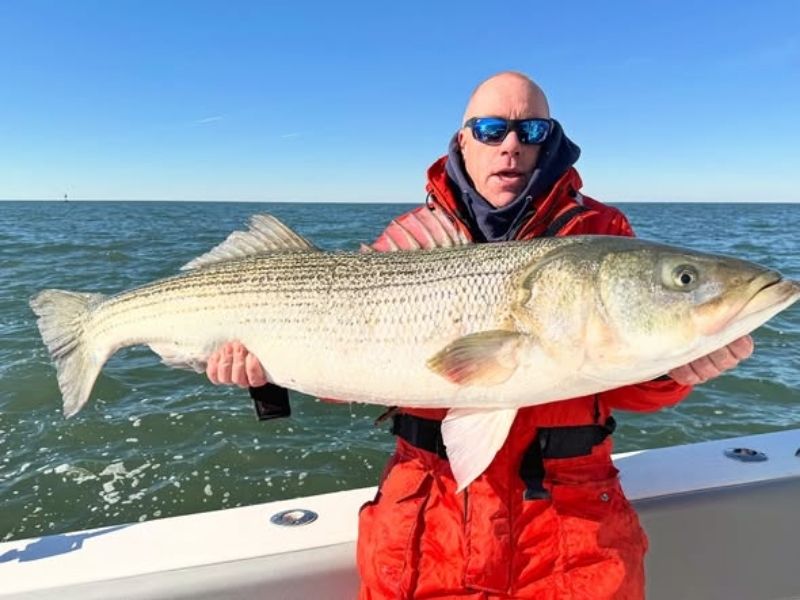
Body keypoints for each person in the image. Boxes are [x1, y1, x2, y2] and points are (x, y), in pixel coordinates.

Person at [206, 72, 754, 599]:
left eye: (530, 131)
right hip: (423, 528)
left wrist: (671, 372)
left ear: (550, 141)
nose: (510, 146)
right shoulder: (413, 242)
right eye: (491, 130)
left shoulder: (602, 235)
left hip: (572, 533)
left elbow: (623, 384)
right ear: (464, 141)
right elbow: (348, 369)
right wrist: (264, 377)